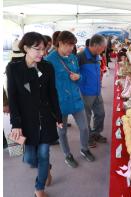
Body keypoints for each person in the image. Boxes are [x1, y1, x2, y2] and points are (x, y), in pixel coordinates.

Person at [6, 32, 63, 197]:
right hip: (25, 121)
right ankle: (47, 169)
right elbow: (13, 98)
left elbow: (52, 93)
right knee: (30, 159)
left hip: (45, 118)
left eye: (44, 49)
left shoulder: (47, 67)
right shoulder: (14, 68)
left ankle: (39, 188)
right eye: (37, 49)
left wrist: (58, 116)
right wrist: (16, 123)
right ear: (25, 48)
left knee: (44, 154)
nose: (42, 53)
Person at [45, 30, 95, 168]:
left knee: (85, 128)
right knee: (62, 132)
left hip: (76, 100)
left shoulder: (73, 57)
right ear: (60, 43)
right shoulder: (49, 60)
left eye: (72, 46)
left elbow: (80, 77)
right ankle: (67, 155)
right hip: (59, 104)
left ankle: (84, 149)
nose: (71, 49)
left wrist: (79, 77)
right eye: (68, 45)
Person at [77, 34, 107, 147]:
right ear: (95, 45)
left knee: (101, 114)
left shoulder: (96, 56)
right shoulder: (80, 57)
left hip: (97, 91)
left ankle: (96, 133)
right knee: (86, 117)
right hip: (85, 93)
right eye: (102, 47)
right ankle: (87, 137)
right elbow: (74, 74)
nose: (104, 50)